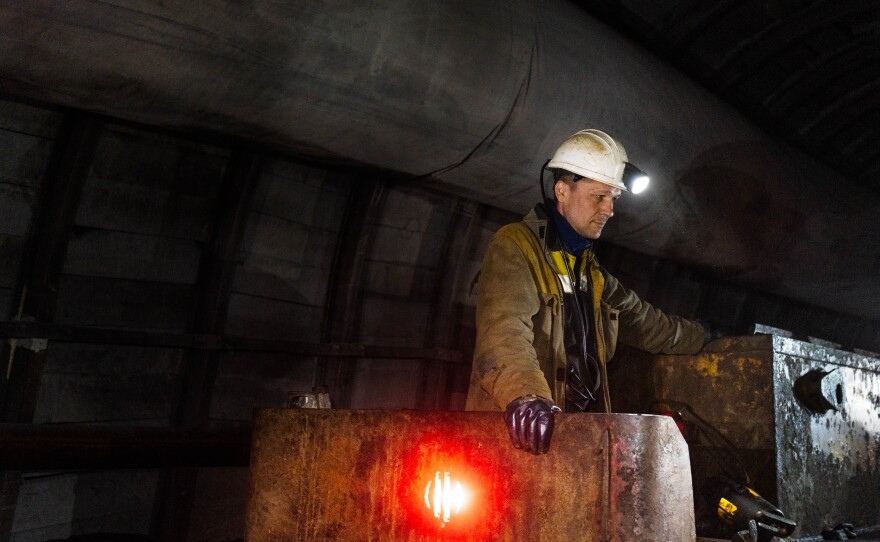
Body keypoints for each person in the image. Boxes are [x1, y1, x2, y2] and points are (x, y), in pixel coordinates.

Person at [465, 129, 708, 455]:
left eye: (614, 199)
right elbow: (504, 333)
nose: (609, 210)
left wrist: (704, 336)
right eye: (599, 197)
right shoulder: (515, 246)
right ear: (562, 191)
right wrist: (526, 396)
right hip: (523, 439)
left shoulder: (591, 274)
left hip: (575, 436)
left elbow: (651, 325)